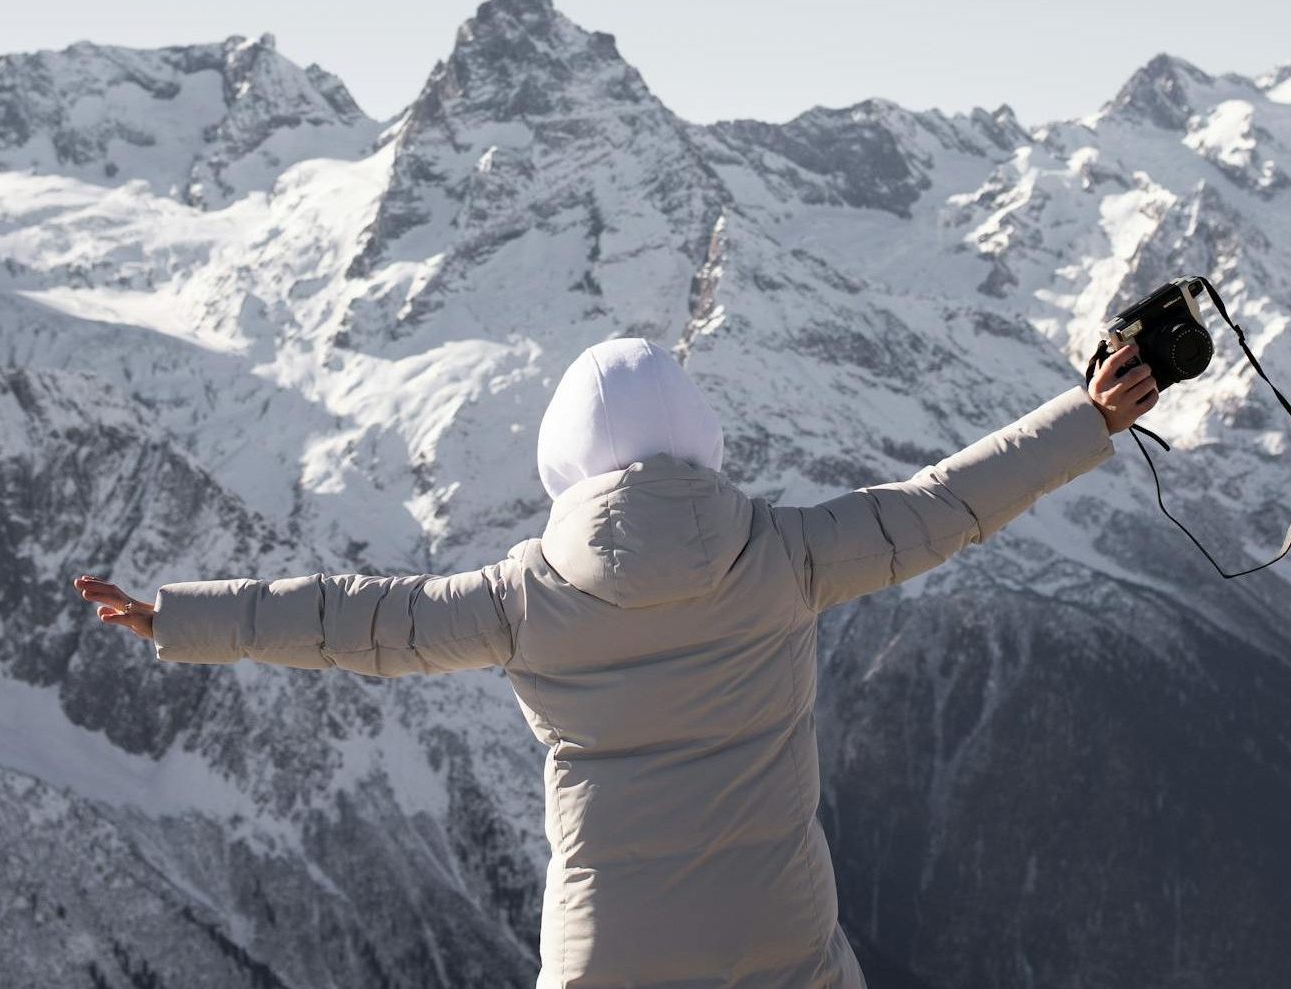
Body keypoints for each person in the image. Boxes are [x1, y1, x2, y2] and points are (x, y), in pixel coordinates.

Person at [75, 337, 1159, 987]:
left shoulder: (519, 601)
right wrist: (1090, 415)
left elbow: (351, 621)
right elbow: (950, 503)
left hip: (611, 957)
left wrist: (177, 617)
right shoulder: (789, 556)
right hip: (781, 936)